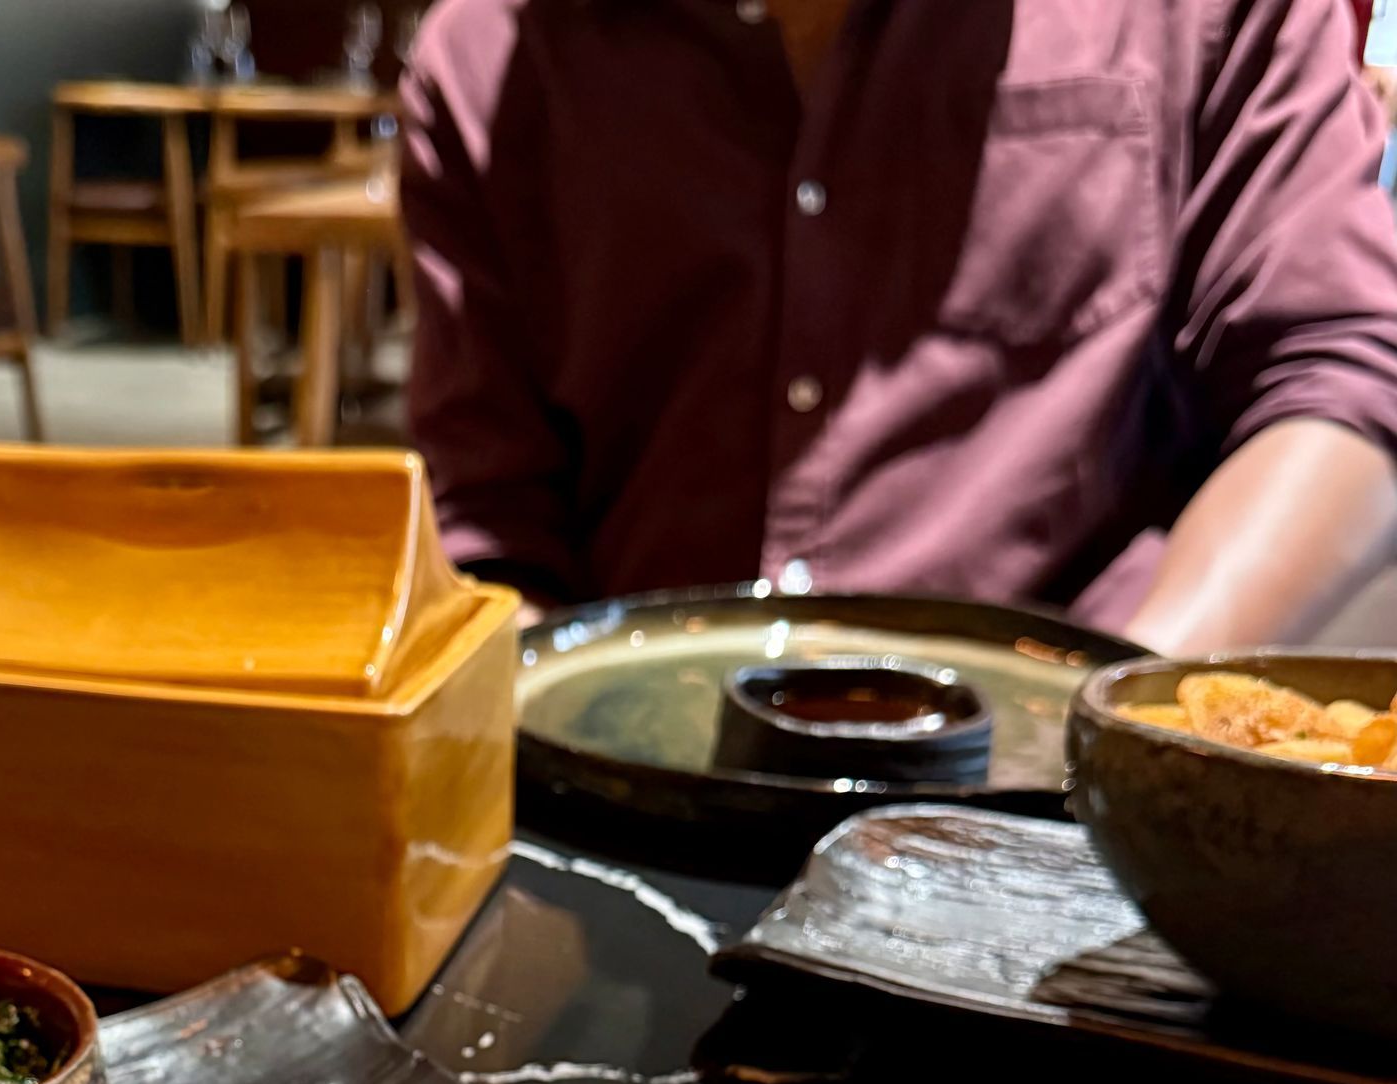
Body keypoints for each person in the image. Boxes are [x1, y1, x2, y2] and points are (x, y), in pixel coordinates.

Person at [398, 0, 1397, 648]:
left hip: (1073, 813)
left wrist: (1115, 723)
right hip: (635, 799)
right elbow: (489, 519)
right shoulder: (489, 54)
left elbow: (1343, 369)